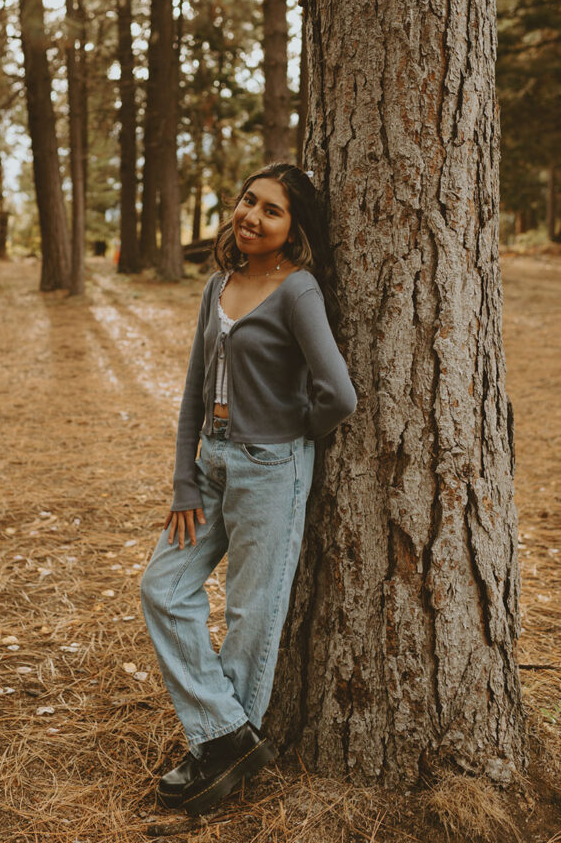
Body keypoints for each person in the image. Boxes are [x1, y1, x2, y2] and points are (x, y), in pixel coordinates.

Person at [140, 162, 357, 816]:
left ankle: (217, 757)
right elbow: (192, 392)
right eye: (247, 201)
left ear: (293, 231)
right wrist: (184, 478)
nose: (251, 216)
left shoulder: (297, 292)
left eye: (271, 210)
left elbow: (338, 396)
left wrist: (286, 436)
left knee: (248, 616)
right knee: (162, 589)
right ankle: (226, 735)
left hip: (271, 470)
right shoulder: (218, 285)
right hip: (209, 467)